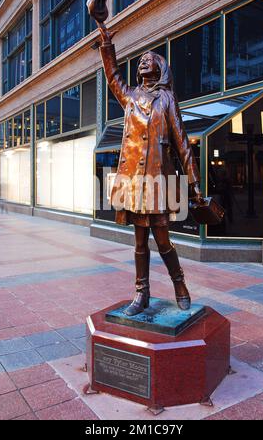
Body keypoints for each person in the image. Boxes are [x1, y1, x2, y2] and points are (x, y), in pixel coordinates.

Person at [98, 24, 204, 317]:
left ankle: (179, 284)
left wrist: (194, 184)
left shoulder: (167, 99)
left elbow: (182, 141)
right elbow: (112, 75)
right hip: (133, 181)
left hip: (158, 181)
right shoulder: (130, 96)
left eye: (150, 59)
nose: (144, 61)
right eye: (141, 60)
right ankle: (141, 293)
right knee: (139, 240)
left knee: (162, 239)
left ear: (161, 69)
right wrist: (106, 41)